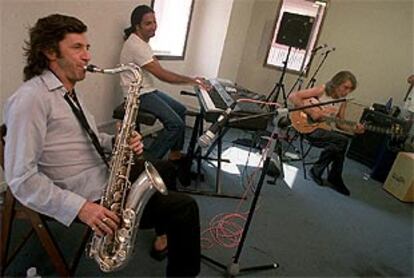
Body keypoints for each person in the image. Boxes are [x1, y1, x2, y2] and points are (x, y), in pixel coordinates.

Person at [3, 14, 200, 277]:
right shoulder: (30, 100)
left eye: (87, 48)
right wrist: (81, 208)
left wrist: (118, 142)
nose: (87, 56)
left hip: (102, 172)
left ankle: (164, 236)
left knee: (168, 169)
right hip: (85, 192)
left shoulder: (67, 91)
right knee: (185, 208)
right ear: (50, 52)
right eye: (77, 48)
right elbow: (21, 179)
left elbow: (86, 137)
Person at [120, 5, 210, 164]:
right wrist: (192, 80)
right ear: (137, 26)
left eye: (154, 22)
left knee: (181, 110)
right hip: (137, 95)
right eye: (148, 23)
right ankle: (146, 164)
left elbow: (158, 68)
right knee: (176, 124)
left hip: (147, 90)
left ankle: (175, 155)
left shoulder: (141, 42)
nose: (153, 26)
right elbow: (162, 75)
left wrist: (191, 79)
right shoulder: (136, 45)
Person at [288, 71, 365, 196]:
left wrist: (353, 129)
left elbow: (340, 123)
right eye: (345, 87)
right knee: (341, 142)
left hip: (324, 129)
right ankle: (332, 177)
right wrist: (312, 113)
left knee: (339, 144)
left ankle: (323, 173)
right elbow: (293, 96)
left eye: (350, 89)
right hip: (308, 127)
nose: (346, 92)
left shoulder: (343, 101)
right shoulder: (322, 90)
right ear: (336, 83)